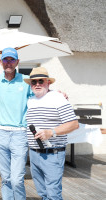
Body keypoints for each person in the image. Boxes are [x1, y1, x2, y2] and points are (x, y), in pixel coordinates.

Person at [24, 67, 79, 200]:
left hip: (52, 154)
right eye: (34, 82)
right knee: (43, 193)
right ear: (30, 84)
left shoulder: (58, 98)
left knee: (53, 194)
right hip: (34, 153)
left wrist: (51, 132)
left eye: (41, 81)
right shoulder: (30, 100)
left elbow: (74, 124)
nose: (37, 84)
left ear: (48, 82)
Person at [0, 47, 31, 200]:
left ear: (17, 62)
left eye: (12, 60)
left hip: (20, 134)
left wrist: (57, 93)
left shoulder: (26, 81)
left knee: (17, 179)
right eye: (5, 59)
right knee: (6, 178)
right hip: (0, 134)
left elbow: (41, 94)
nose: (8, 63)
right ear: (1, 62)